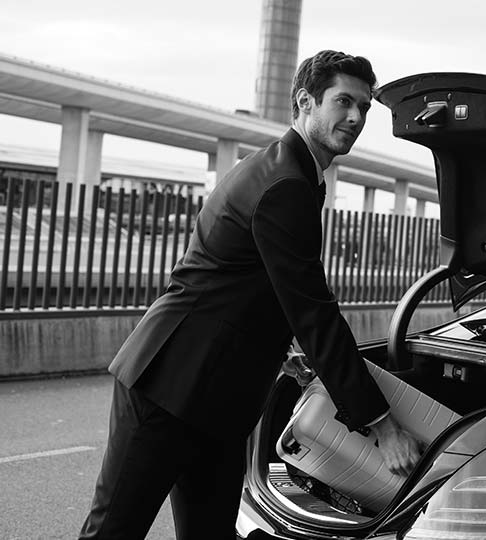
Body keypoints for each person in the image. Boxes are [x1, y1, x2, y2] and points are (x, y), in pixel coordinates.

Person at [79, 50, 421, 539]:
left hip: (216, 399)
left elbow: (253, 285)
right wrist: (382, 425)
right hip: (168, 386)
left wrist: (283, 352)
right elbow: (314, 313)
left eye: (363, 107)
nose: (356, 117)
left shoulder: (291, 172)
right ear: (304, 102)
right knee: (113, 531)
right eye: (343, 101)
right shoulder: (285, 184)